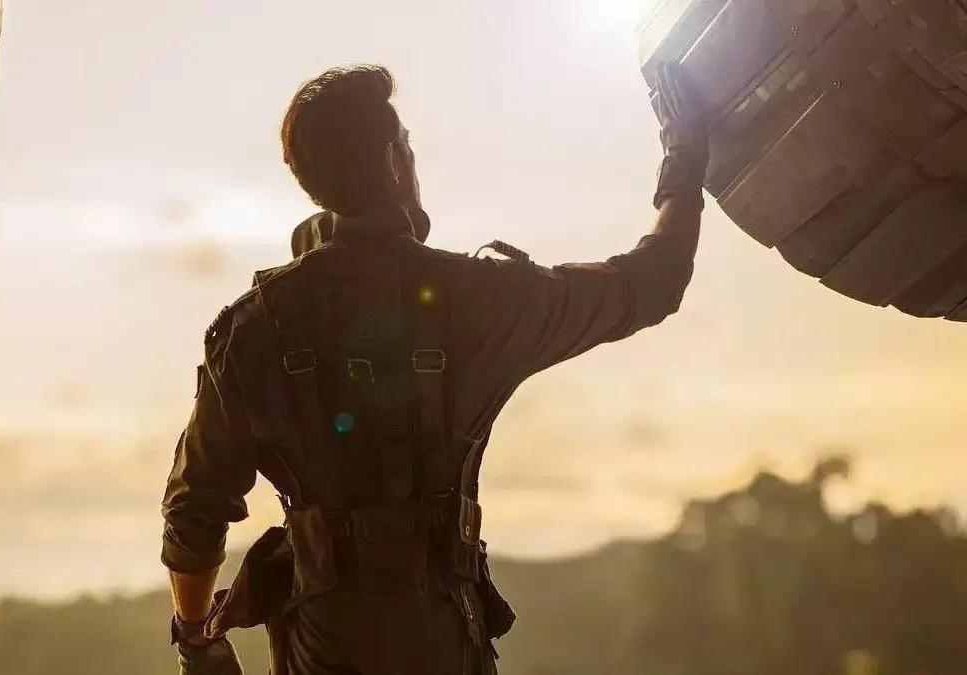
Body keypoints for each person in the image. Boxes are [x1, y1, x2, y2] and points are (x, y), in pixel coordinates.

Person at [160, 61, 710, 674]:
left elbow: (194, 513)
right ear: (394, 161)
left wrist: (197, 638)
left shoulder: (253, 329)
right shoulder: (479, 299)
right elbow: (653, 281)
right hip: (445, 641)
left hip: (322, 649)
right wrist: (684, 159)